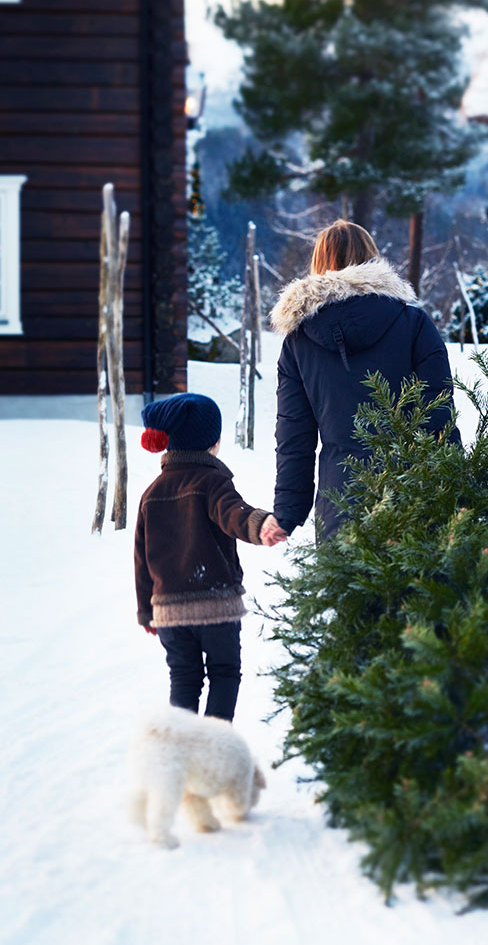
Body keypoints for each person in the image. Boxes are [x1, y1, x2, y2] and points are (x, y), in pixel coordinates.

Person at [261, 219, 459, 547]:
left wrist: (287, 512)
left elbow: (294, 435)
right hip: (412, 496)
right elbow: (438, 416)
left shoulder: (300, 340)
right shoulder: (413, 324)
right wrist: (452, 493)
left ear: (319, 264)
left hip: (339, 502)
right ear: (372, 259)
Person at [134, 393, 270, 722]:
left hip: (169, 613)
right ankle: (212, 750)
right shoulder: (212, 481)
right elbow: (233, 514)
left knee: (184, 680)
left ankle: (182, 752)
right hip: (215, 608)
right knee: (224, 674)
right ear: (212, 443)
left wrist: (146, 612)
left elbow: (141, 559)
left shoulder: (151, 494)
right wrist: (260, 524)